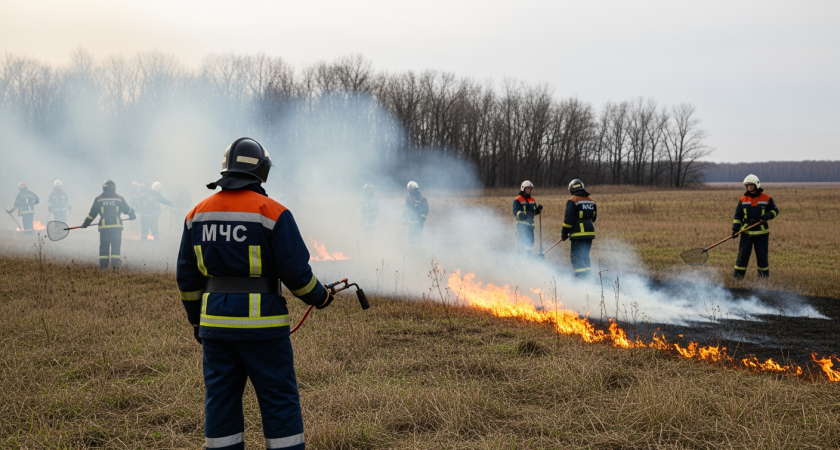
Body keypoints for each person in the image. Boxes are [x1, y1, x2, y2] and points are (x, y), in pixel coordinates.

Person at [176, 137, 332, 450]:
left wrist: (197, 322)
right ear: (262, 170)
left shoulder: (197, 214)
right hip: (263, 329)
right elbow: (296, 274)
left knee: (220, 401)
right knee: (279, 400)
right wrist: (320, 296)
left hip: (215, 327)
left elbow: (187, 278)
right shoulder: (272, 212)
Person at [732, 174, 779, 280]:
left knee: (762, 257)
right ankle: (737, 279)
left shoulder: (767, 198)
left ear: (756, 185)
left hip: (761, 234)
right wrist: (735, 230)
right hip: (746, 233)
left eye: (751, 185)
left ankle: (763, 280)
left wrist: (767, 216)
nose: (749, 187)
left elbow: (775, 211)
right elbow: (738, 216)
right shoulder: (743, 200)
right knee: (742, 256)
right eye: (747, 185)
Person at [81, 180, 136, 269]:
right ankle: (115, 266)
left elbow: (92, 214)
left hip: (104, 228)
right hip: (117, 227)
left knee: (104, 247)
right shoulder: (119, 198)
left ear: (104, 188)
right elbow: (126, 209)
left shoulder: (99, 199)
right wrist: (132, 214)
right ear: (114, 188)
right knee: (116, 247)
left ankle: (103, 266)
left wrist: (86, 223)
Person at [560, 179, 596, 277]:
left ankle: (580, 280)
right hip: (590, 234)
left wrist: (564, 234)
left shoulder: (573, 200)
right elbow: (594, 217)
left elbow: (568, 220)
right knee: (585, 256)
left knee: (577, 257)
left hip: (578, 234)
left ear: (572, 189)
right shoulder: (591, 201)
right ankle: (588, 278)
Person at [512, 180, 542, 257]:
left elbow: (534, 212)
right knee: (522, 242)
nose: (529, 190)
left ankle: (528, 258)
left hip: (530, 225)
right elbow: (515, 211)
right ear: (523, 188)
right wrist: (521, 214)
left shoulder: (532, 199)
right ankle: (520, 258)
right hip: (521, 224)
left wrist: (538, 210)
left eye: (530, 188)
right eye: (527, 188)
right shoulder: (518, 199)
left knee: (531, 242)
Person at [402, 181, 428, 246]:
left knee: (419, 238)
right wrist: (405, 214)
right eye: (409, 190)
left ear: (415, 189)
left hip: (418, 223)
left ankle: (421, 250)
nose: (410, 191)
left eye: (411, 190)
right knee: (411, 239)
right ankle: (413, 251)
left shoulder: (422, 199)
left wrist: (421, 220)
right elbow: (405, 208)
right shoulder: (408, 199)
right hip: (410, 223)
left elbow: (425, 210)